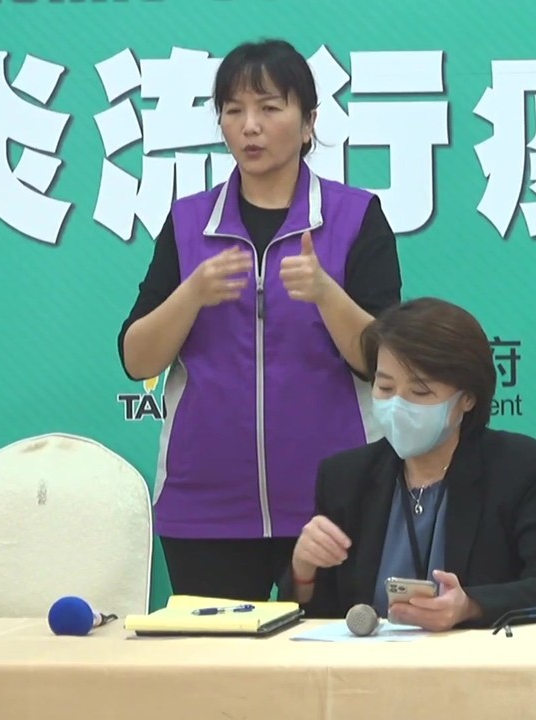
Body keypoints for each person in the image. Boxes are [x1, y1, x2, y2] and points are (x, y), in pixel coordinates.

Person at [117, 38, 401, 602]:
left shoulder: (355, 217)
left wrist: (325, 293)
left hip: (332, 506)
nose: (250, 126)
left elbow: (382, 362)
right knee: (215, 659)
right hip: (205, 508)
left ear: (308, 122)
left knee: (334, 654)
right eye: (234, 110)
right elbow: (137, 359)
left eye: (270, 108)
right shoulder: (190, 223)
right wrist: (192, 294)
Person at [286, 298, 536, 631]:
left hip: (479, 660)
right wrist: (303, 570)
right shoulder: (345, 477)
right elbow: (317, 618)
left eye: (420, 392)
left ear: (467, 398)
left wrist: (469, 606)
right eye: (385, 387)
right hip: (369, 662)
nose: (397, 405)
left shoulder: (520, 468)